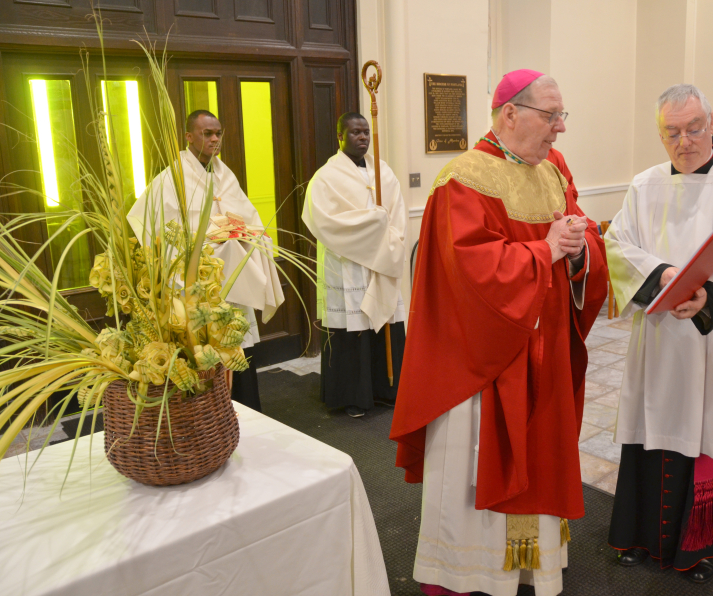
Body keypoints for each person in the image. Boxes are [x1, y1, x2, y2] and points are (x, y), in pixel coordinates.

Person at [390, 70, 608, 596]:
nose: (559, 130)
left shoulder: (553, 167)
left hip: (546, 347)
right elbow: (468, 271)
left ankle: (533, 567)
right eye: (550, 117)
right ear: (510, 113)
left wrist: (581, 249)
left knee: (543, 454)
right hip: (485, 363)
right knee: (478, 461)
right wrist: (546, 251)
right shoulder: (464, 178)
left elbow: (580, 228)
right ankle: (468, 573)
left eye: (562, 117)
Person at [604, 84, 713, 584]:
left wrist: (706, 295)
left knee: (710, 428)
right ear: (661, 136)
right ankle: (638, 535)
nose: (686, 141)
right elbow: (617, 245)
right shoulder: (644, 185)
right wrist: (663, 278)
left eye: (695, 128)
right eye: (672, 132)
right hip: (659, 333)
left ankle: (702, 545)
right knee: (651, 427)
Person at [128, 110, 284, 412]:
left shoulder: (226, 176)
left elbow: (250, 219)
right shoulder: (171, 179)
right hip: (196, 282)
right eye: (206, 133)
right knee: (206, 347)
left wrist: (252, 236)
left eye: (218, 133)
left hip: (232, 276)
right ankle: (210, 415)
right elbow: (150, 227)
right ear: (189, 137)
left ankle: (247, 409)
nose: (214, 139)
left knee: (237, 339)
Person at [301, 112, 407, 418]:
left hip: (381, 260)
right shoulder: (326, 177)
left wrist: (387, 238)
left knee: (385, 323)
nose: (362, 138)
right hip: (348, 263)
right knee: (352, 330)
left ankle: (386, 389)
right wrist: (371, 225)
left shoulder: (383, 172)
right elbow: (322, 220)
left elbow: (396, 212)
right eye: (355, 133)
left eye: (365, 132)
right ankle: (351, 396)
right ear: (340, 137)